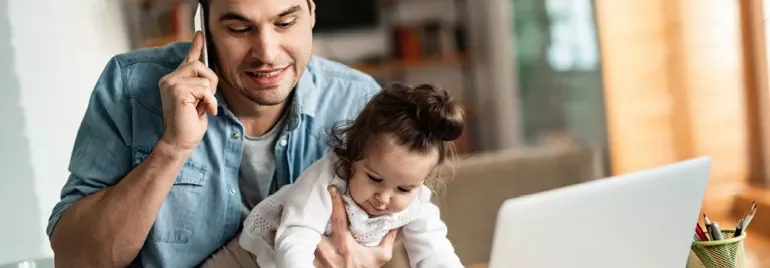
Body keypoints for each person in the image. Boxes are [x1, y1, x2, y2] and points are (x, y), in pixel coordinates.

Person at [45, 0, 400, 267]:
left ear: (311, 13)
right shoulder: (130, 86)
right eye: (239, 29)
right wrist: (172, 148)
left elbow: (396, 231)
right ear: (203, 28)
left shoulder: (359, 101)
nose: (266, 53)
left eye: (285, 22)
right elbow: (76, 258)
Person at [238, 83, 465, 268]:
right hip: (247, 259)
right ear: (353, 157)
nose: (384, 198)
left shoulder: (418, 203)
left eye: (404, 189)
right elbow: (296, 238)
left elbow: (435, 253)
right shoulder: (327, 178)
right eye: (375, 179)